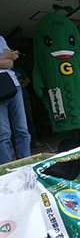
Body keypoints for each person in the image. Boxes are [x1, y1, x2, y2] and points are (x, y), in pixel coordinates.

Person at [0, 36, 31, 164]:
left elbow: (10, 63)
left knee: (22, 129)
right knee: (3, 134)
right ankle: (7, 169)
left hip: (13, 85)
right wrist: (5, 57)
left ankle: (26, 163)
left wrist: (7, 59)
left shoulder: (0, 38)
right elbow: (8, 59)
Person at [12, 67, 44, 148]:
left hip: (24, 97)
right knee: (14, 123)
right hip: (11, 98)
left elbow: (27, 80)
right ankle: (18, 146)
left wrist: (19, 87)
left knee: (29, 119)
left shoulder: (18, 70)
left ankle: (34, 140)